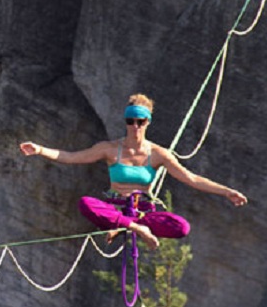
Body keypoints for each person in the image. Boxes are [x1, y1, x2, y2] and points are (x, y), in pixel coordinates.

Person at [20, 93, 248, 250]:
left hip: (143, 213)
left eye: (140, 121)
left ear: (148, 122)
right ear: (126, 122)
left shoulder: (159, 154)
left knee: (182, 227)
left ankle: (126, 227)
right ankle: (130, 227)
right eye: (131, 121)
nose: (135, 127)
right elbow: (70, 157)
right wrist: (39, 149)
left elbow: (191, 178)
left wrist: (226, 192)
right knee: (85, 204)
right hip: (114, 208)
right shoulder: (109, 149)